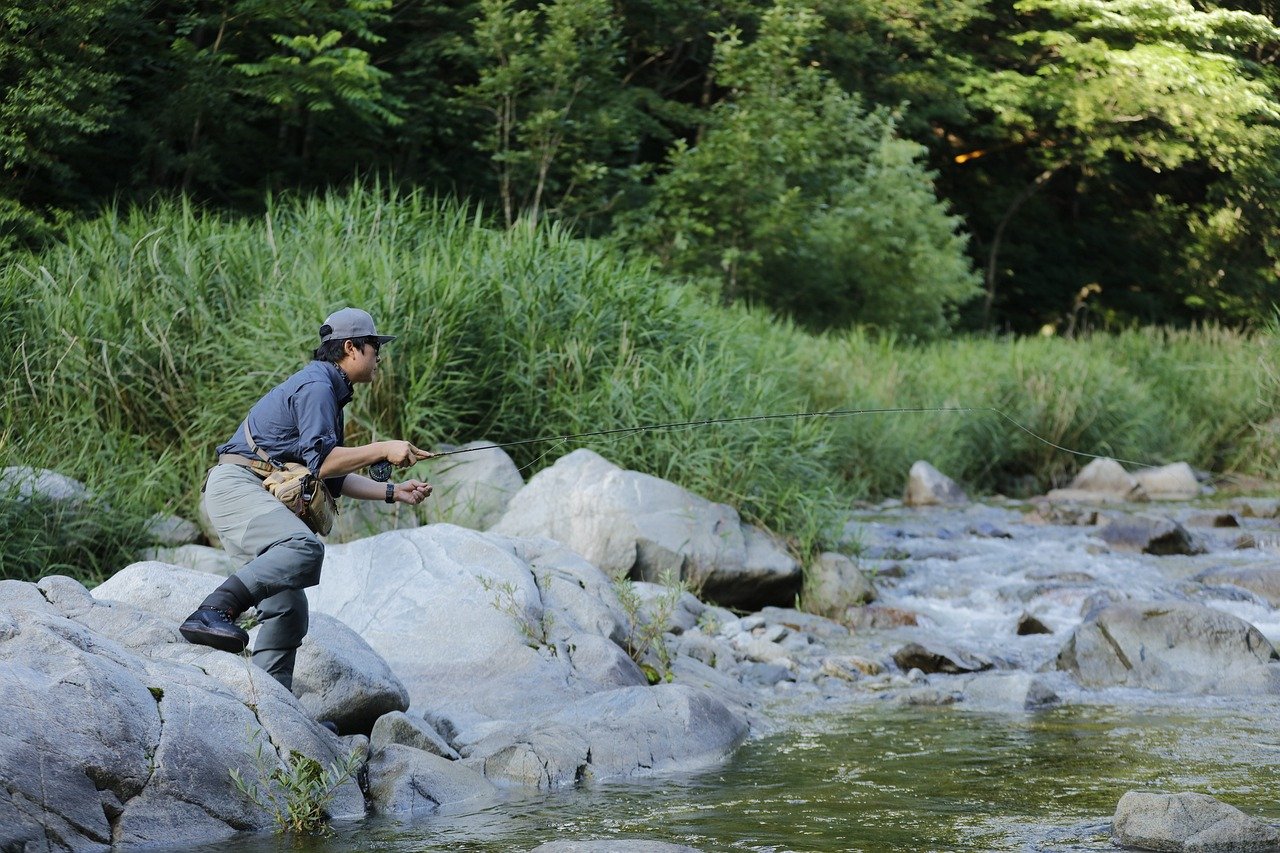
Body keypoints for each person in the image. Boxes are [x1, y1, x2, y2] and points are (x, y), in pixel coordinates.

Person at [179, 307, 433, 691]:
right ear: (351, 347)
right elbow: (326, 461)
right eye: (374, 346)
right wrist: (383, 447)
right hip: (238, 487)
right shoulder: (318, 387)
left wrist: (393, 492)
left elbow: (328, 473)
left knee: (288, 610)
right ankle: (212, 610)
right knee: (304, 548)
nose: (379, 355)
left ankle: (270, 708)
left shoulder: (328, 390)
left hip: (245, 490)